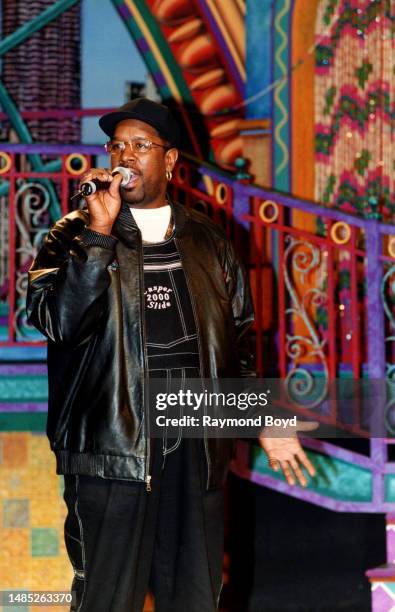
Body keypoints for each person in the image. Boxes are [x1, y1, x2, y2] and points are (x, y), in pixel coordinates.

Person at [26, 98, 315, 612]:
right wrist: (98, 235)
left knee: (196, 595)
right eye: (117, 145)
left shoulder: (209, 240)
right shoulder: (73, 234)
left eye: (141, 145)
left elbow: (239, 347)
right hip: (112, 443)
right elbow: (59, 323)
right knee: (106, 598)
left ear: (171, 160)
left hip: (194, 443)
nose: (126, 155)